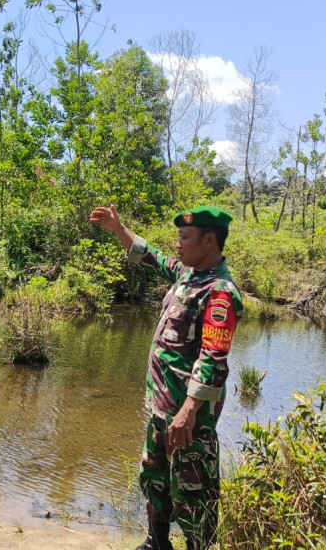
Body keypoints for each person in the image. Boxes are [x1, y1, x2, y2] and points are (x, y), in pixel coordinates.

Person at [89, 204, 243, 550]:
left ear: (209, 241)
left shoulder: (219, 292)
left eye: (184, 237)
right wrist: (118, 229)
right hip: (163, 408)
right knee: (154, 477)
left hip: (189, 418)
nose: (178, 244)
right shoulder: (189, 275)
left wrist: (189, 410)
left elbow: (214, 358)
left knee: (193, 491)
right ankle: (156, 543)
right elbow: (153, 258)